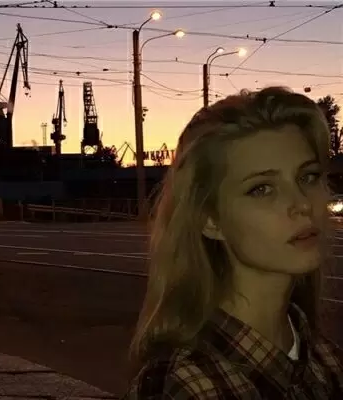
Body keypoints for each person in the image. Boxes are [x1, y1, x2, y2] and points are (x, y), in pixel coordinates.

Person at [123, 86, 343, 399]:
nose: (303, 204)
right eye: (262, 189)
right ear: (210, 220)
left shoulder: (327, 362)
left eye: (308, 177)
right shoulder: (184, 387)